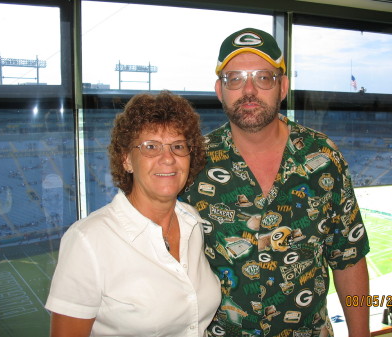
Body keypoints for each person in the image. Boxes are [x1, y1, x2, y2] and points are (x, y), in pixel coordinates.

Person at [181, 28, 370, 337]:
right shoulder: (193, 163)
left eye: (263, 77)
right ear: (220, 90)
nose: (249, 90)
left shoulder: (322, 157)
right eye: (235, 78)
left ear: (282, 87)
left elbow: (348, 257)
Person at [45, 91, 221, 337]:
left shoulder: (192, 222)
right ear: (126, 159)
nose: (168, 158)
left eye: (178, 146)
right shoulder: (88, 241)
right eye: (151, 147)